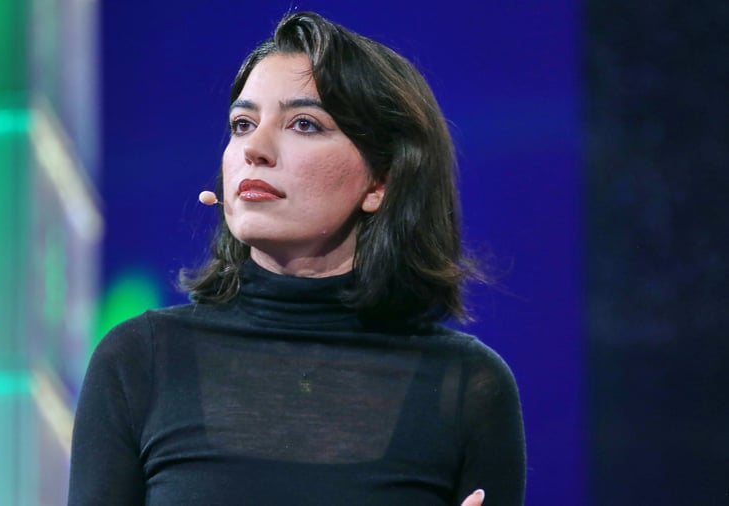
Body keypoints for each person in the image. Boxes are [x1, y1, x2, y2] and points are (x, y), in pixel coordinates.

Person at [69, 11, 525, 506]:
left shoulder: (467, 387)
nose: (255, 148)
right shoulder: (139, 361)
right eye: (242, 124)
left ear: (381, 181)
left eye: (304, 124)